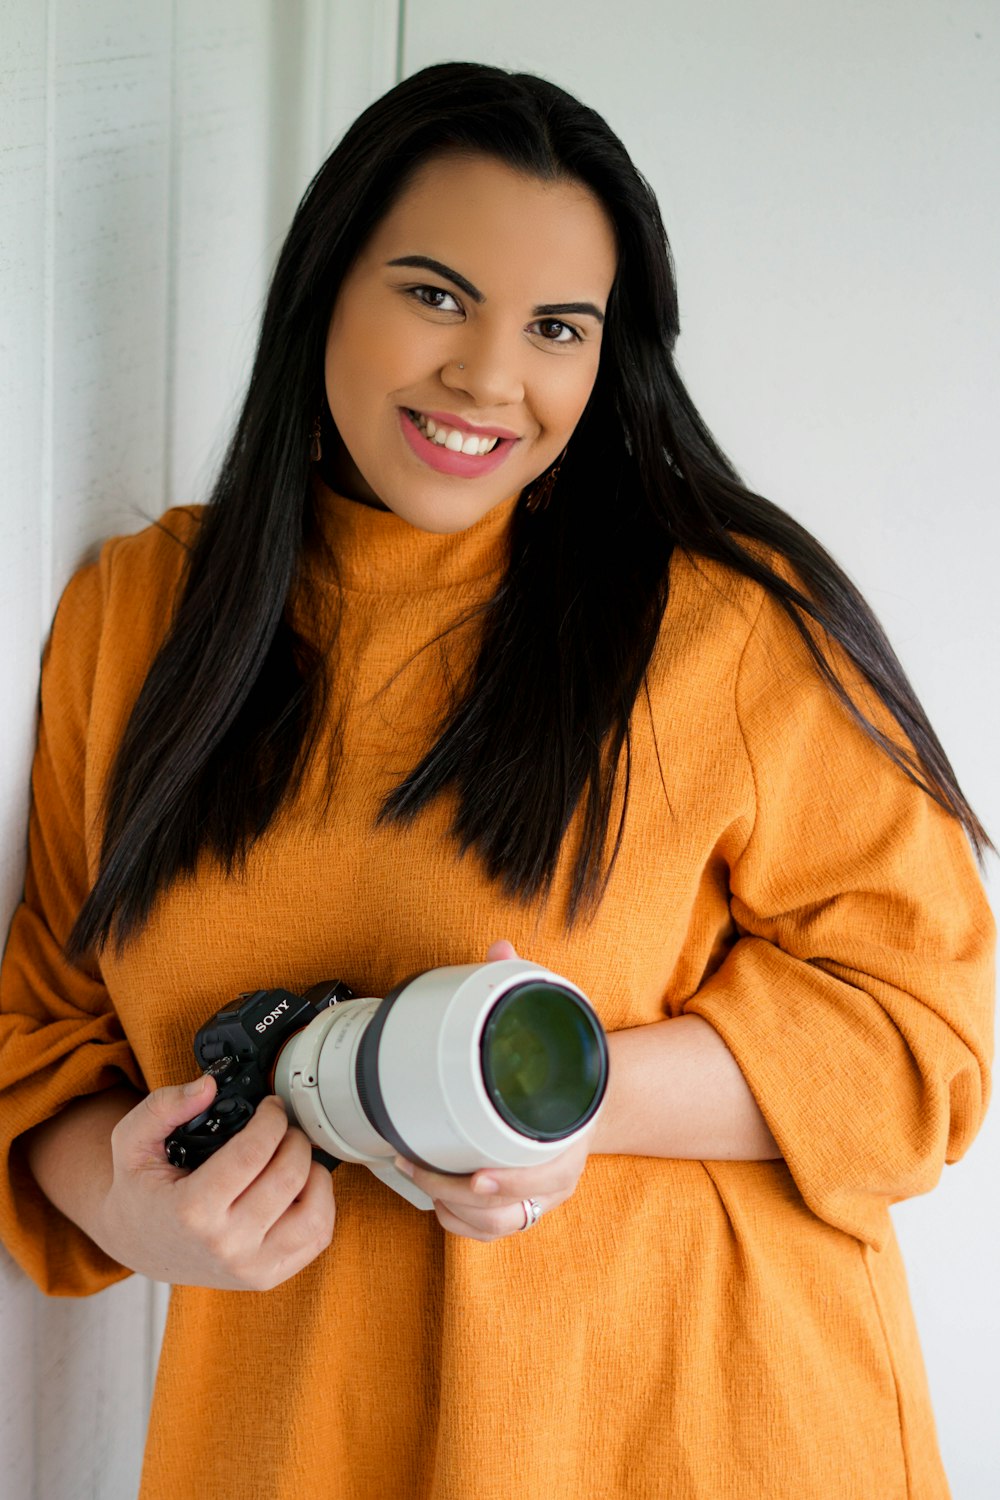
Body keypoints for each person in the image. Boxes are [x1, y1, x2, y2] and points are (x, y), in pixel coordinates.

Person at [0, 59, 993, 1500]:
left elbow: (920, 1033)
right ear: (324, 285)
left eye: (556, 327)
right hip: (295, 1444)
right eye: (434, 293)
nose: (489, 378)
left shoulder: (723, 622)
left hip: (697, 1433)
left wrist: (570, 1102)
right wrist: (133, 1213)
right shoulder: (140, 620)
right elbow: (47, 1033)